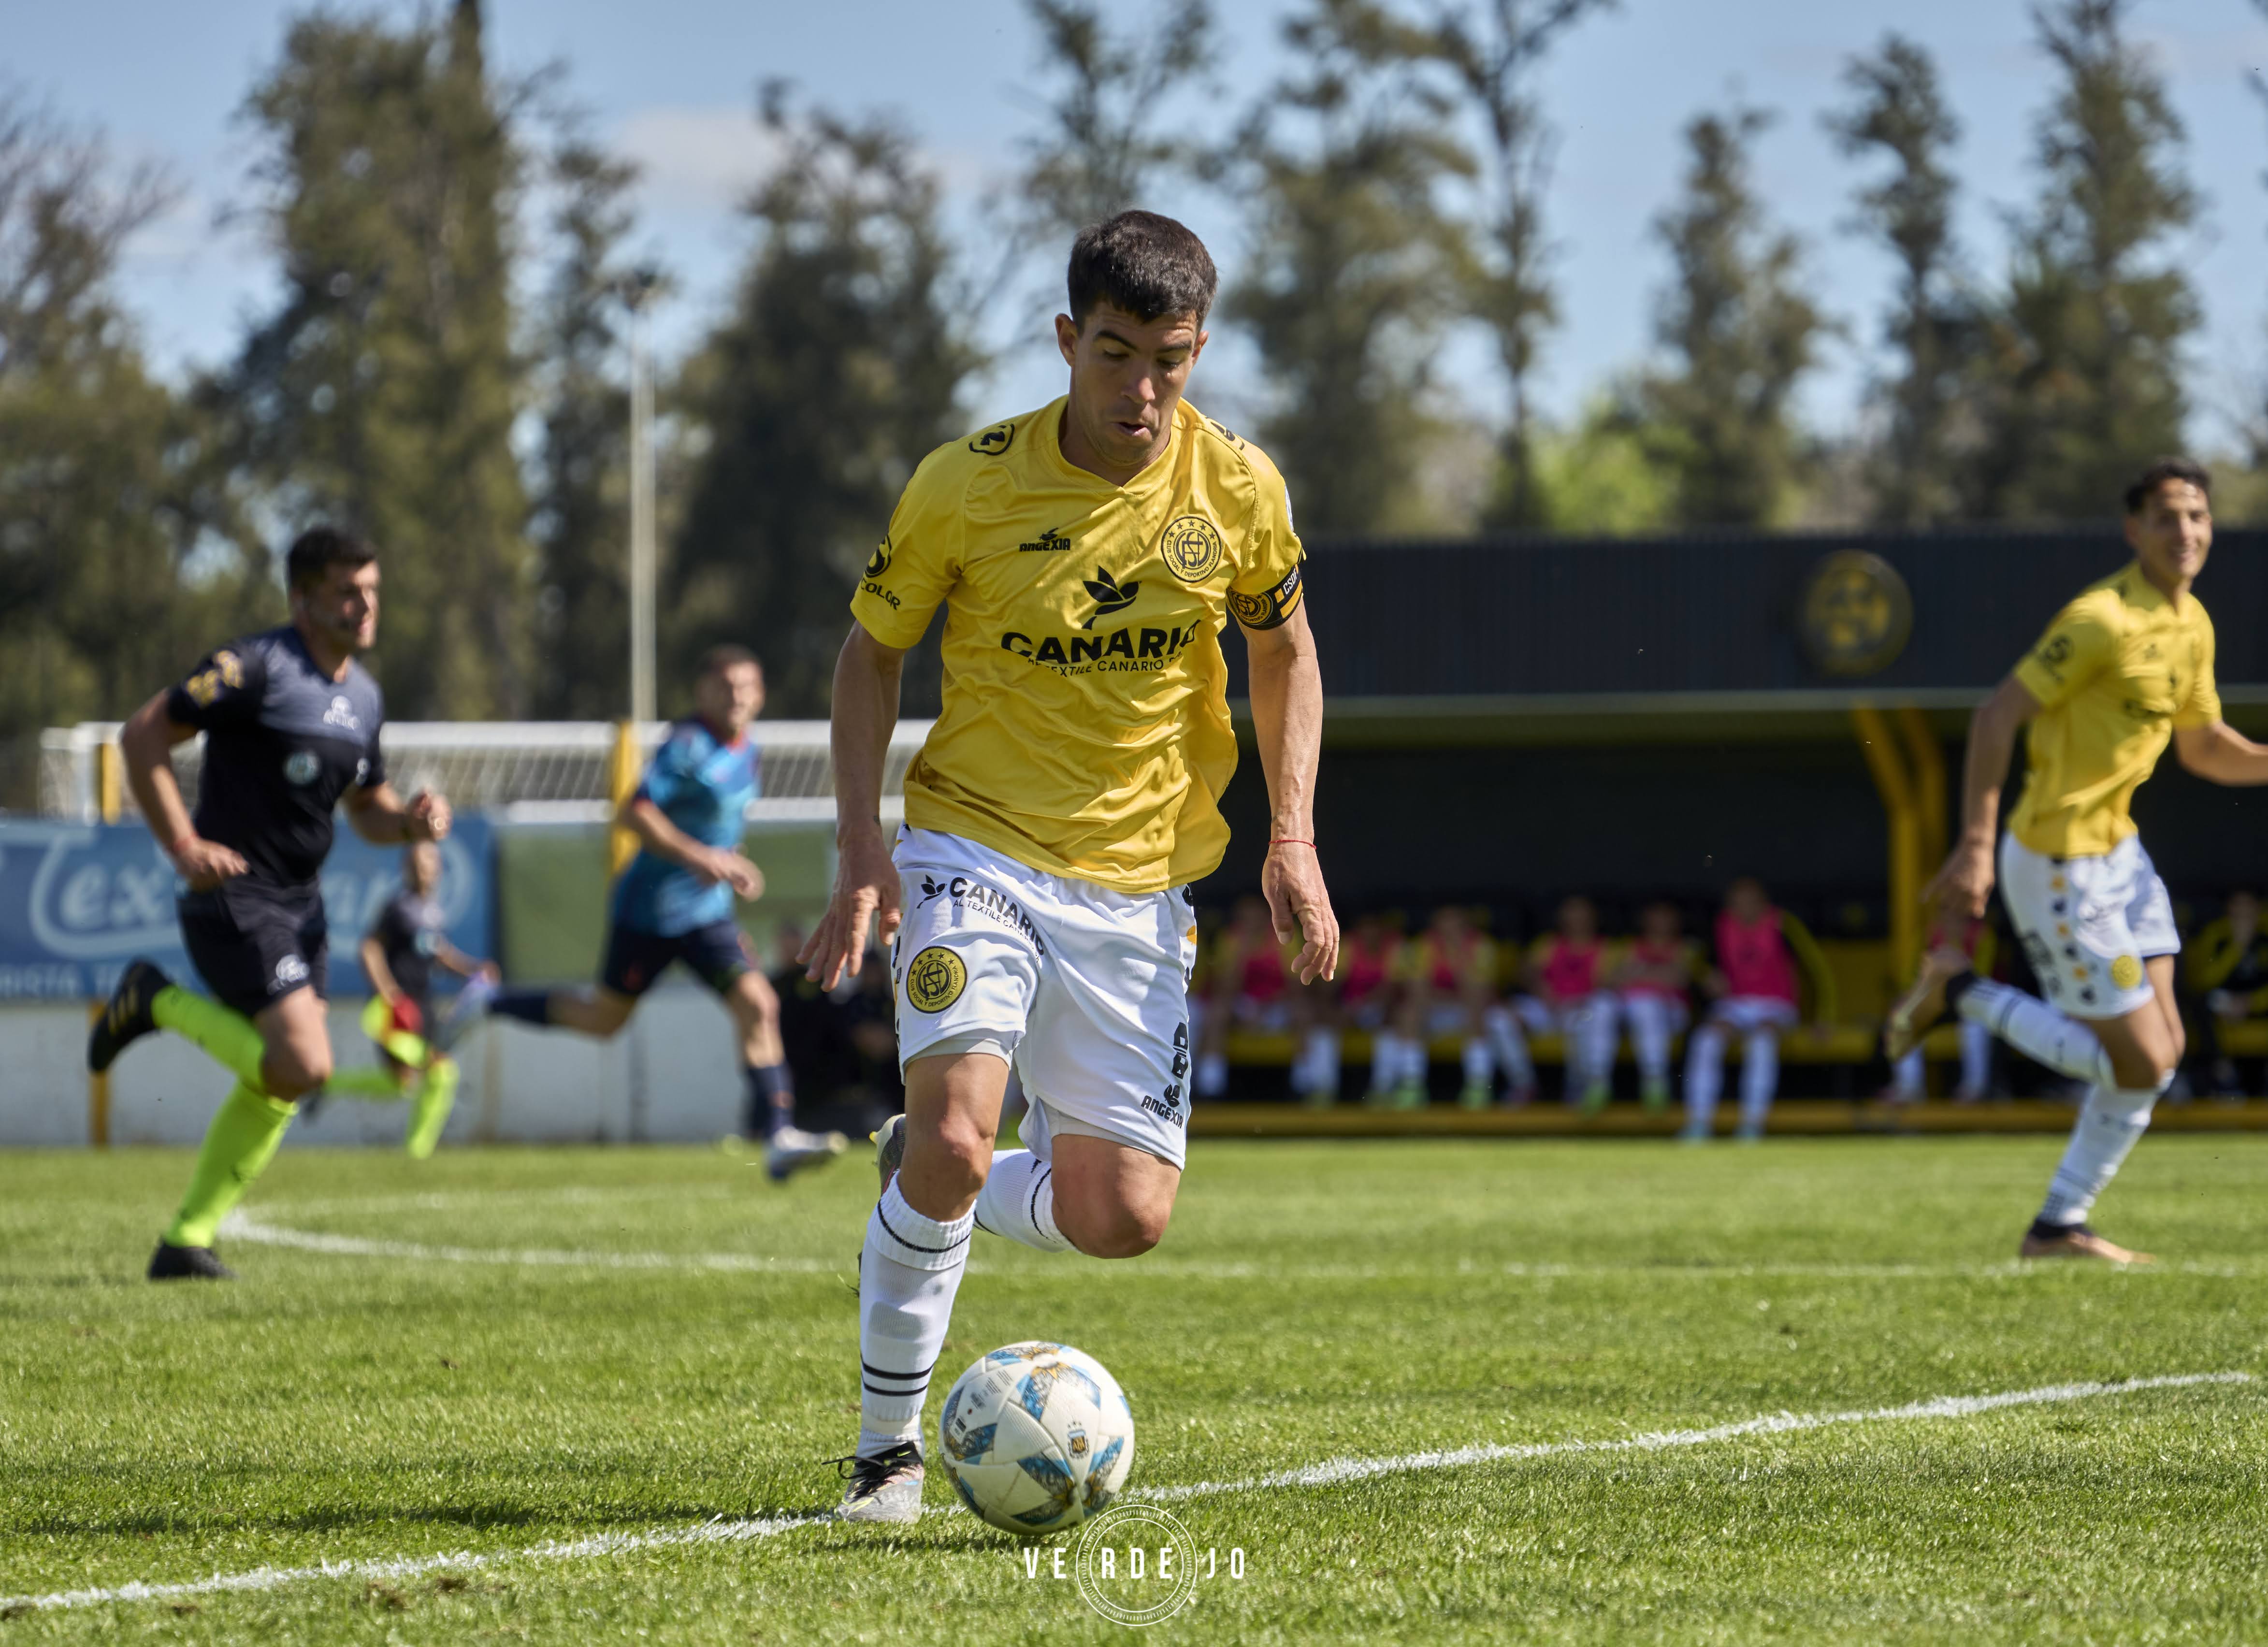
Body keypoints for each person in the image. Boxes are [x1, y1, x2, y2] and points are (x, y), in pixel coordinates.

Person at [799, 211, 1338, 1523]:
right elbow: (871, 654)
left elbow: (1283, 650)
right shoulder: (965, 484)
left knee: (1122, 1216)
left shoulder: (1238, 489)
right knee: (958, 1132)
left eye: (1168, 359)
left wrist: (1292, 836)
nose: (1140, 389)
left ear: (1197, 349)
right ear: (1065, 339)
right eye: (1113, 354)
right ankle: (884, 1452)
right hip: (973, 845)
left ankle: (929, 1170)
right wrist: (862, 842)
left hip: (1141, 882)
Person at [1889, 458, 2268, 1261]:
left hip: (2121, 859)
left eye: (2197, 515)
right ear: (2133, 530)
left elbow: (2202, 747)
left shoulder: (2192, 623)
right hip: (2058, 867)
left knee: (2159, 1054)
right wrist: (1976, 843)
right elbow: (1996, 716)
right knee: (2142, 1062)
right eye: (2165, 516)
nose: (2185, 531)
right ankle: (1957, 989)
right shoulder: (2100, 619)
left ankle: (2058, 1226)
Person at [87, 527, 454, 1280]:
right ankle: (154, 1000)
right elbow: (143, 736)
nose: (365, 606)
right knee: (305, 1065)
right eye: (347, 592)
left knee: (285, 1079)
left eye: (372, 590)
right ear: (302, 600)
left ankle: (186, 1240)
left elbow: (369, 810)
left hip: (302, 907)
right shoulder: (253, 668)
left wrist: (411, 824)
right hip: (233, 893)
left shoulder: (364, 697)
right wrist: (184, 845)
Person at [485, 647, 846, 1183]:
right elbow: (635, 812)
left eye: (746, 686)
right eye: (725, 686)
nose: (736, 696)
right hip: (649, 913)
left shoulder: (750, 750)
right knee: (604, 1021)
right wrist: (704, 858)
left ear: (761, 694)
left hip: (707, 917)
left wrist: (730, 863)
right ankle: (489, 1001)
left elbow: (717, 825)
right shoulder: (686, 745)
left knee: (758, 1003)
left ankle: (778, 1138)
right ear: (703, 692)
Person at [306, 839, 497, 1156]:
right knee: (439, 1072)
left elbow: (439, 953)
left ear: (439, 869)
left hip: (422, 1006)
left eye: (429, 863)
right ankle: (417, 1150)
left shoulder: (433, 911)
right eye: (417, 864)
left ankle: (329, 1085)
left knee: (406, 1082)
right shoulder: (397, 907)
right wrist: (390, 995)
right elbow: (369, 949)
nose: (424, 870)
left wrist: (474, 970)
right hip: (397, 1008)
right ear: (406, 868)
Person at [1682, 879, 1822, 1142]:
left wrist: (1822, 1018)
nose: (1744, 909)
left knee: (1761, 1041)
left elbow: (1816, 971)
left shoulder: (1784, 925)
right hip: (1735, 1004)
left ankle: (1752, 1124)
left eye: (1750, 902)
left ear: (1764, 903)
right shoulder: (1718, 926)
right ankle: (1699, 1123)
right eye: (1737, 903)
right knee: (1706, 1040)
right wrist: (1707, 977)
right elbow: (1693, 961)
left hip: (1777, 1005)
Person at [1390, 905, 1532, 1110]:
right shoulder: (1423, 946)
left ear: (1466, 925)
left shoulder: (1481, 946)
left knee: (1480, 1010)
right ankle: (1411, 1084)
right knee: (1409, 1012)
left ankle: (1478, 1086)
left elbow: (1481, 993)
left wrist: (1460, 959)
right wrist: (1451, 995)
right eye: (1446, 923)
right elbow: (1416, 991)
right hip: (1434, 1012)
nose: (1451, 929)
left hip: (1470, 1012)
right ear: (1436, 925)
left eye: (1457, 924)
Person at [1519, 895, 1619, 1113]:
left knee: (1592, 1014)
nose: (1577, 920)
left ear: (1593, 919)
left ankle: (1584, 1089)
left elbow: (1608, 987)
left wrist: (1574, 1002)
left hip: (1583, 1010)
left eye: (1583, 915)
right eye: (1572, 914)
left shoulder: (1606, 948)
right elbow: (1527, 973)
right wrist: (1540, 986)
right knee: (1501, 1019)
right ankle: (1523, 1086)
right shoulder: (1548, 944)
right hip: (1551, 1008)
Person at [1193, 894, 1296, 1100]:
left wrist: (1266, 1006)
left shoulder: (1286, 937)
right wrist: (1242, 954)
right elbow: (1223, 990)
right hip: (1243, 1006)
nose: (1252, 924)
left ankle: (1307, 1085)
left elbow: (1298, 987)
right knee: (1217, 1012)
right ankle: (1210, 1089)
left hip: (1277, 1004)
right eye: (1245, 919)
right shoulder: (1230, 940)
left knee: (1305, 1011)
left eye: (1256, 918)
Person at [1612, 901, 1699, 1114]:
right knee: (1602, 1008)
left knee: (1647, 1006)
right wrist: (1659, 974)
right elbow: (1613, 980)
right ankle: (1595, 1085)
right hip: (1632, 1013)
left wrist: (1638, 973)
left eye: (1666, 917)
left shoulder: (1687, 947)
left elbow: (1679, 978)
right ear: (1645, 920)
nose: (1661, 922)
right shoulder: (1629, 946)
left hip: (1672, 1013)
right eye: (1656, 916)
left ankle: (1656, 1083)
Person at [2186, 891, 2268, 1099]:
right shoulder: (2216, 934)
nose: (2243, 914)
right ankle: (2221, 1072)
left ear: (2258, 909)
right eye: (2237, 907)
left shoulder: (2265, 935)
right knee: (2199, 1005)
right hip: (2222, 1007)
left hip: (2257, 1005)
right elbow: (2204, 981)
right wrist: (2237, 947)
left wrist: (2252, 1003)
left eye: (2248, 907)